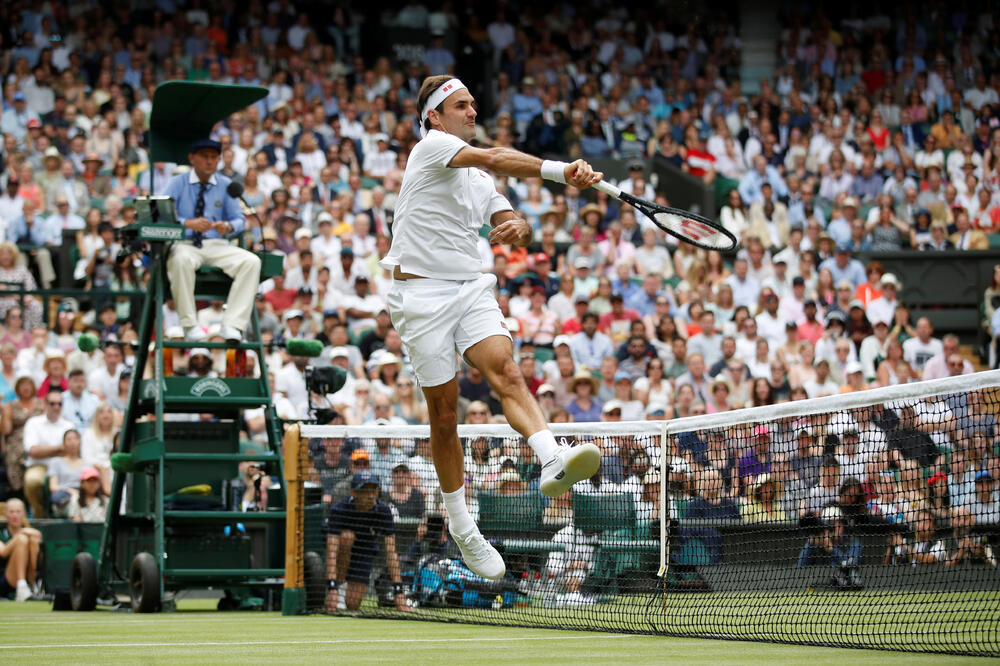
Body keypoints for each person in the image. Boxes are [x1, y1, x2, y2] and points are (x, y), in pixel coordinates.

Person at [378, 76, 601, 579]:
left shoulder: (475, 177)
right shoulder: (431, 148)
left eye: (474, 105)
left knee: (507, 369)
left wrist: (519, 223)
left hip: (468, 286)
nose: (472, 112)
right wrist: (562, 171)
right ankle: (463, 528)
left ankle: (551, 457)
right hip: (419, 296)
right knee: (444, 413)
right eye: (462, 106)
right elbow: (498, 157)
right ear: (436, 117)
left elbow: (502, 207)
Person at [164, 138, 260, 343]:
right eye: (204, 157)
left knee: (252, 262)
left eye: (213, 157)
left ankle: (232, 325)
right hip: (185, 243)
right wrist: (187, 223)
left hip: (216, 244)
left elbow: (239, 220)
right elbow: (162, 214)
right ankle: (189, 325)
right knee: (180, 260)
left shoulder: (226, 185)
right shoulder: (177, 183)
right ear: (192, 158)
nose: (209, 162)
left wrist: (229, 227)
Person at [323, 471, 409, 612]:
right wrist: (332, 586)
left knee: (353, 604)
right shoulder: (339, 509)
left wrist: (398, 592)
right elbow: (332, 551)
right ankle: (339, 587)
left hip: (365, 550)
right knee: (347, 537)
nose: (370, 496)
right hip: (341, 549)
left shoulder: (383, 511)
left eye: (373, 490)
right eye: (364, 491)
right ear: (353, 492)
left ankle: (344, 592)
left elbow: (391, 552)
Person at [0, 499, 43, 601]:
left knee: (33, 539)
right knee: (22, 540)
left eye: (18, 512)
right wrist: (20, 535)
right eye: (11, 512)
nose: (15, 515)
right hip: (5, 580)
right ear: (5, 514)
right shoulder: (2, 534)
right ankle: (22, 586)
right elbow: (3, 552)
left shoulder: (30, 533)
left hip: (29, 575)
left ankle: (33, 585)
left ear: (24, 514)